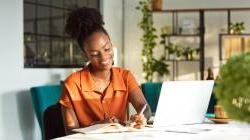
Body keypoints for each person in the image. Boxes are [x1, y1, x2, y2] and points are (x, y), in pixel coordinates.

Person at [59, 7, 151, 133]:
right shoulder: (72, 84)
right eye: (95, 54)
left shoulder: (125, 76)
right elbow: (70, 132)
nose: (104, 58)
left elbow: (145, 108)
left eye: (107, 49)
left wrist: (141, 117)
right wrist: (98, 125)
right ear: (86, 55)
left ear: (111, 44)